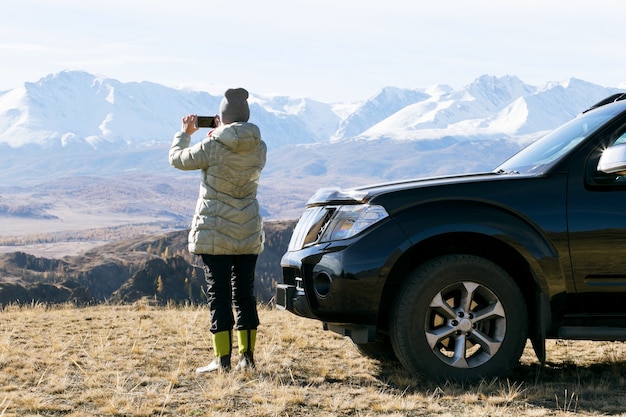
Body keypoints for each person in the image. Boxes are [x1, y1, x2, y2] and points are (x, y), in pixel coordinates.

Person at [168, 88, 266, 372]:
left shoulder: (212, 146)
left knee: (219, 295)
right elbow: (237, 149)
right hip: (248, 230)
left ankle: (221, 360)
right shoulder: (260, 147)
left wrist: (185, 133)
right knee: (245, 295)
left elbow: (178, 159)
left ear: (220, 118)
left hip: (215, 233)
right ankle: (247, 359)